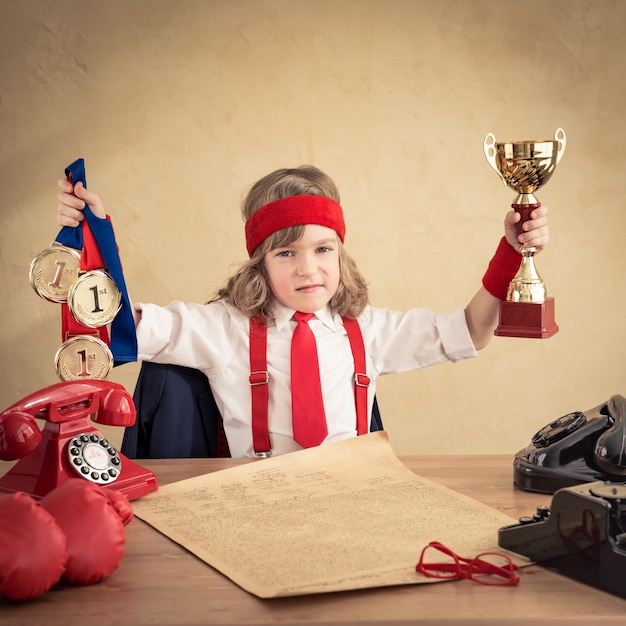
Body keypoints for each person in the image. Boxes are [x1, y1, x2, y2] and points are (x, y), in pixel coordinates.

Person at [56, 165, 550, 458]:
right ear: (261, 262)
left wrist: (511, 253)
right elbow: (118, 328)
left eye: (323, 250)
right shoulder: (222, 327)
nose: (308, 270)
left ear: (341, 251)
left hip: (350, 503)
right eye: (286, 253)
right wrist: (93, 239)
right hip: (253, 505)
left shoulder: (369, 330)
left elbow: (470, 331)